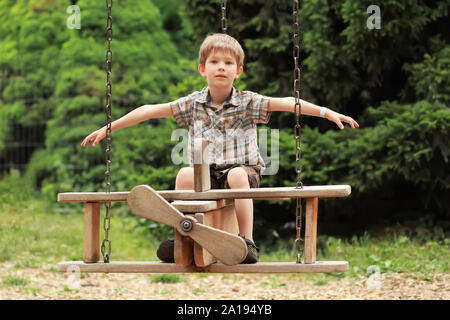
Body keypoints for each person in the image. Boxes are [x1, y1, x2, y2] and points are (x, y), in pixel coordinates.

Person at [81, 33, 359, 264]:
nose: (221, 67)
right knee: (184, 176)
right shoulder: (192, 104)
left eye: (228, 62)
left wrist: (325, 112)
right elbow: (149, 111)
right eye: (214, 61)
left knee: (237, 175)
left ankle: (247, 242)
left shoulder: (249, 103)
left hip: (243, 172)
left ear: (238, 71)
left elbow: (288, 102)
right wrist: (108, 128)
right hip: (208, 174)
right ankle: (182, 235)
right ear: (203, 69)